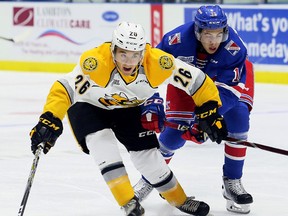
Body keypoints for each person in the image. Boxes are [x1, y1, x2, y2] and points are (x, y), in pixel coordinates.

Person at [29, 21, 227, 216]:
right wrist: (50, 119)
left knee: (150, 158)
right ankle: (128, 202)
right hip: (89, 107)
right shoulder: (96, 62)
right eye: (123, 53)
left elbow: (197, 81)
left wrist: (210, 110)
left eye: (134, 55)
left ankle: (179, 200)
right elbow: (64, 89)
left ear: (143, 53)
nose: (128, 61)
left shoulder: (157, 63)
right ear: (113, 50)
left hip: (128, 107)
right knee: (102, 144)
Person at [133, 5, 254, 214]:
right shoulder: (176, 40)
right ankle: (151, 179)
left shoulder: (234, 48)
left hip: (223, 87)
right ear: (198, 32)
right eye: (208, 34)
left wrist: (210, 116)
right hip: (186, 83)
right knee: (173, 135)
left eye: (218, 34)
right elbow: (148, 70)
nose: (213, 41)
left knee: (239, 118)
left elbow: (230, 90)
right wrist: (151, 99)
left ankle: (232, 182)